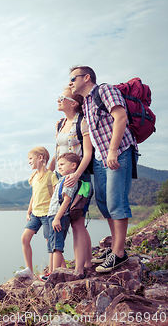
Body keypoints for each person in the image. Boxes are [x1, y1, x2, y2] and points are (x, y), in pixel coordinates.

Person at [69, 65, 138, 273]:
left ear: (86, 77)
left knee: (116, 201)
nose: (70, 82)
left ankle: (119, 253)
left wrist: (113, 150)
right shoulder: (87, 103)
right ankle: (116, 247)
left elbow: (121, 117)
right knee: (104, 203)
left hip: (118, 152)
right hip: (100, 159)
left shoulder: (104, 90)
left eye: (73, 78)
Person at [48, 87, 93, 277]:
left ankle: (80, 269)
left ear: (73, 103)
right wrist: (48, 172)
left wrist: (77, 174)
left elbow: (88, 153)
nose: (58, 100)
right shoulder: (60, 123)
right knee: (69, 219)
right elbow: (58, 149)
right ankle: (87, 262)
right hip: (62, 176)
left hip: (78, 175)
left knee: (77, 221)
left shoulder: (82, 122)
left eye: (62, 97)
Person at [16, 146, 59, 279]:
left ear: (40, 158)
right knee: (25, 238)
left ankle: (53, 272)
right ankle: (29, 269)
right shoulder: (34, 176)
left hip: (47, 214)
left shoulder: (51, 176)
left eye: (30, 158)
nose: (29, 161)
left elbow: (56, 195)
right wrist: (29, 211)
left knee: (50, 243)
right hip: (35, 213)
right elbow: (34, 195)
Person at [46, 153, 82, 279]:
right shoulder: (62, 179)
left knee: (57, 246)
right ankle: (57, 272)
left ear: (73, 166)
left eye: (62, 164)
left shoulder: (70, 179)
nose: (59, 167)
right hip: (54, 215)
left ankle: (55, 275)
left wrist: (57, 218)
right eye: (58, 164)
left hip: (59, 216)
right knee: (53, 245)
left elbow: (66, 200)